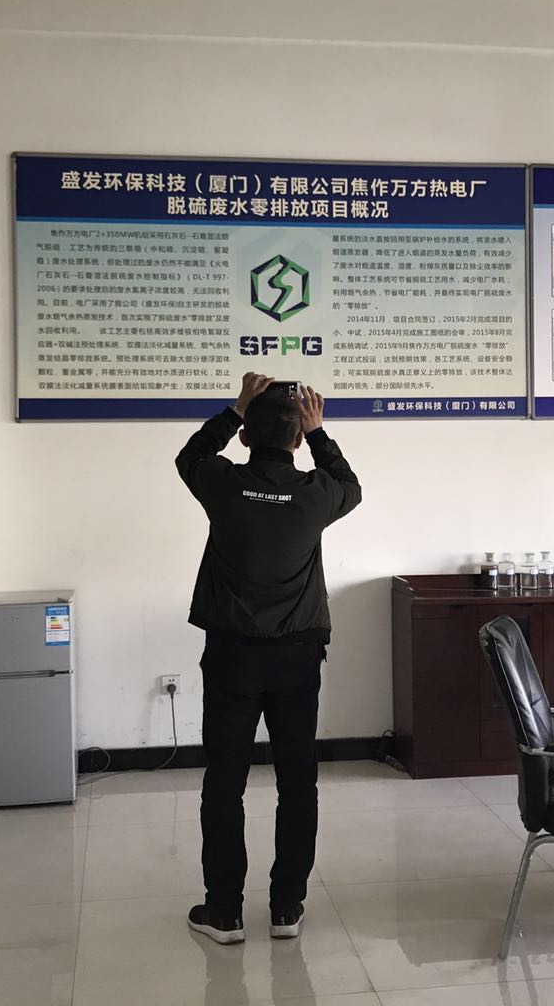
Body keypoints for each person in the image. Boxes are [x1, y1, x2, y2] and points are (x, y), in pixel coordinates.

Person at [175, 373, 362, 943]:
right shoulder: (316, 493)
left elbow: (191, 456)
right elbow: (350, 485)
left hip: (232, 657)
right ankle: (287, 909)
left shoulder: (223, 483)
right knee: (297, 783)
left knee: (224, 783)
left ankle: (224, 912)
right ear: (298, 439)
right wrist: (320, 432)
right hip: (297, 658)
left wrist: (235, 409)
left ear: (245, 437)